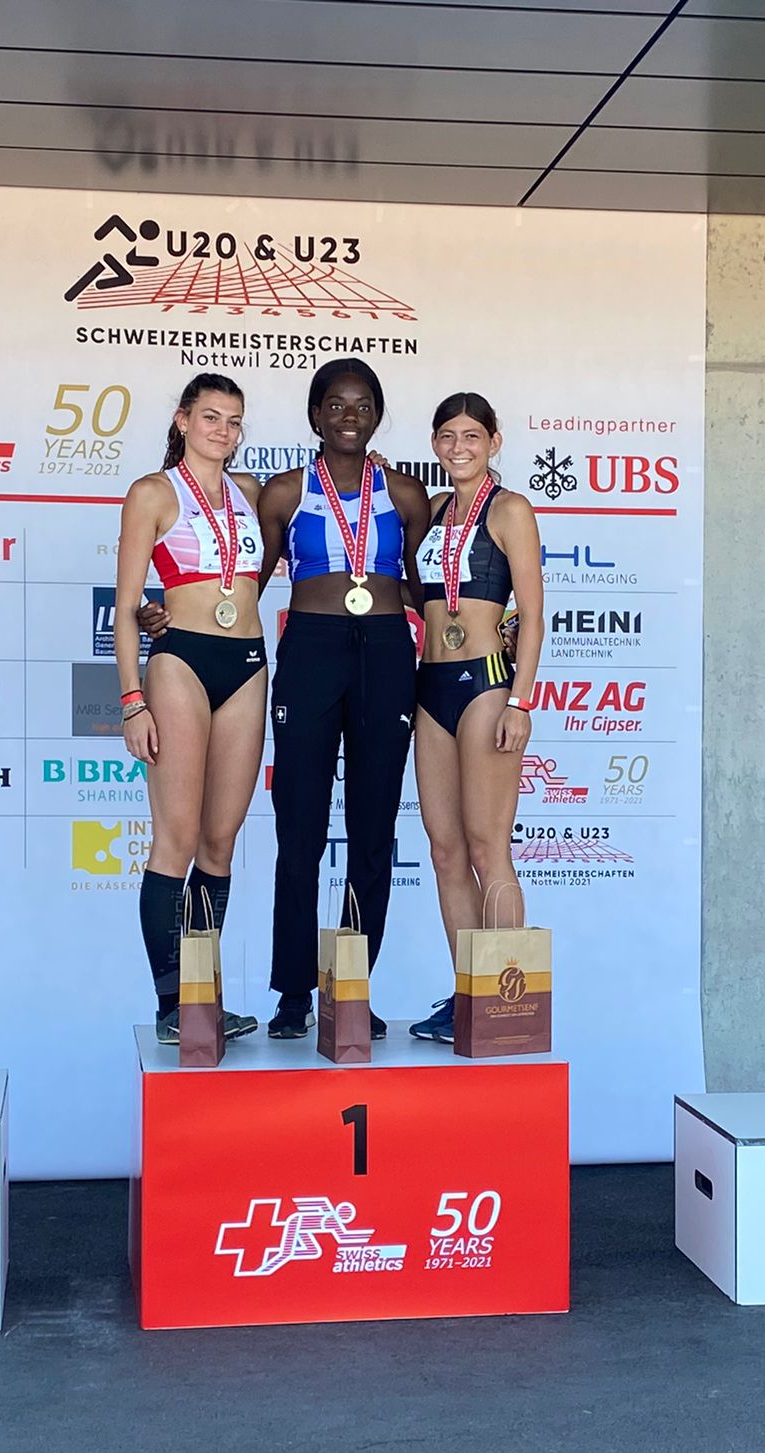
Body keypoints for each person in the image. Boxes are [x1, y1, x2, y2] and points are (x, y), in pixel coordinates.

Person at [256, 359, 433, 1038]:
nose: (348, 416)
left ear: (377, 416)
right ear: (315, 415)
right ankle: (294, 993)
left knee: (373, 828)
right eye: (335, 404)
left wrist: (484, 621)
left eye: (361, 405)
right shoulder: (284, 492)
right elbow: (245, 582)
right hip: (311, 650)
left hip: (386, 652)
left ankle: (351, 988)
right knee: (298, 826)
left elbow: (423, 584)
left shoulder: (407, 493)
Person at [115, 373, 275, 1045]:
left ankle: (203, 1000)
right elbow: (127, 607)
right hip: (181, 660)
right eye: (210, 417)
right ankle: (171, 1004)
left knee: (219, 842)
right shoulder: (152, 493)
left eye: (234, 421)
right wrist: (132, 702)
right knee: (176, 839)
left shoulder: (251, 493)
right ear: (182, 420)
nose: (223, 431)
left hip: (248, 664)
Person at [404, 394, 544, 1043]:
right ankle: (469, 995)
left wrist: (520, 701)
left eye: (471, 436)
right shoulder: (436, 509)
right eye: (447, 436)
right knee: (446, 851)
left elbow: (533, 616)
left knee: (489, 847)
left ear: (494, 441)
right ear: (435, 443)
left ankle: (509, 999)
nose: (458, 447)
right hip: (430, 686)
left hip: (486, 684)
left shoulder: (511, 509)